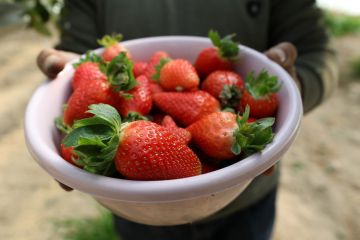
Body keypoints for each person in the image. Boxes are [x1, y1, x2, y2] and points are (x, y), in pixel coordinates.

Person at [36, 1, 338, 239]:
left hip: (244, 193)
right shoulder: (137, 113)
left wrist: (290, 93)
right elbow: (82, 51)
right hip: (138, 208)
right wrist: (70, 70)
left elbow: (316, 53)